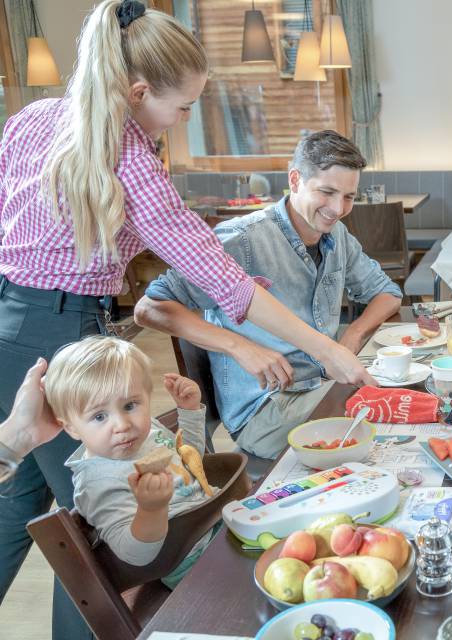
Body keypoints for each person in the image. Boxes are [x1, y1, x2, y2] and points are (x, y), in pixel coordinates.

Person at [0, 2, 372, 637]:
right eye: (183, 109)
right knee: (94, 535)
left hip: (11, 323)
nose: (181, 122)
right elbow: (217, 276)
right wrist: (331, 352)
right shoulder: (128, 152)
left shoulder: (33, 119)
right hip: (64, 341)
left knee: (19, 507)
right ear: (139, 92)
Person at [134, 131, 402, 459]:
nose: (338, 208)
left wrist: (351, 338)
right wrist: (238, 345)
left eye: (348, 196)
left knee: (400, 407)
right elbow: (148, 308)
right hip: (265, 412)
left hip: (321, 389)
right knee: (390, 423)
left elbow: (387, 292)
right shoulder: (241, 240)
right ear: (295, 180)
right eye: (327, 192)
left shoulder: (337, 235)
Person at [47, 337, 213, 587]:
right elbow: (136, 555)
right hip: (188, 561)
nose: (123, 425)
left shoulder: (148, 434)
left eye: (130, 405)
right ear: (70, 427)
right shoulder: (97, 482)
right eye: (99, 416)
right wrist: (151, 509)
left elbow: (190, 465)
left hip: (214, 522)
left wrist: (188, 412)